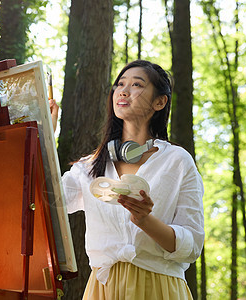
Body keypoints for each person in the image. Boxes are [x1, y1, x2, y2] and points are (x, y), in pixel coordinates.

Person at [49, 60, 204, 299]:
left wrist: (145, 220)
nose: (123, 90)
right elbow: (46, 200)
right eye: (120, 84)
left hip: (159, 288)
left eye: (136, 85)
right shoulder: (90, 166)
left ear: (159, 102)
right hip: (102, 289)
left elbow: (192, 245)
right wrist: (44, 133)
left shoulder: (177, 161)